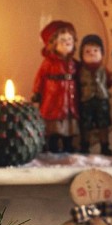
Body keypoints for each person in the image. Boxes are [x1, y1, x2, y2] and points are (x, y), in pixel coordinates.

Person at [32, 20, 79, 153]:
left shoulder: (74, 63)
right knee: (53, 123)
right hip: (53, 97)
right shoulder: (48, 63)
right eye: (63, 39)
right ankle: (52, 145)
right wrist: (36, 92)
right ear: (53, 43)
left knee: (69, 122)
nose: (67, 41)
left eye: (70, 38)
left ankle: (68, 145)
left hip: (70, 98)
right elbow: (40, 77)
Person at [77, 34, 112, 155]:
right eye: (87, 51)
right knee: (85, 124)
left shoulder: (104, 70)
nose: (92, 53)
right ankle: (84, 145)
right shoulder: (80, 70)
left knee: (103, 124)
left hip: (101, 100)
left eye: (95, 50)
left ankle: (105, 146)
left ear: (102, 54)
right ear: (81, 54)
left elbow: (109, 82)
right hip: (86, 100)